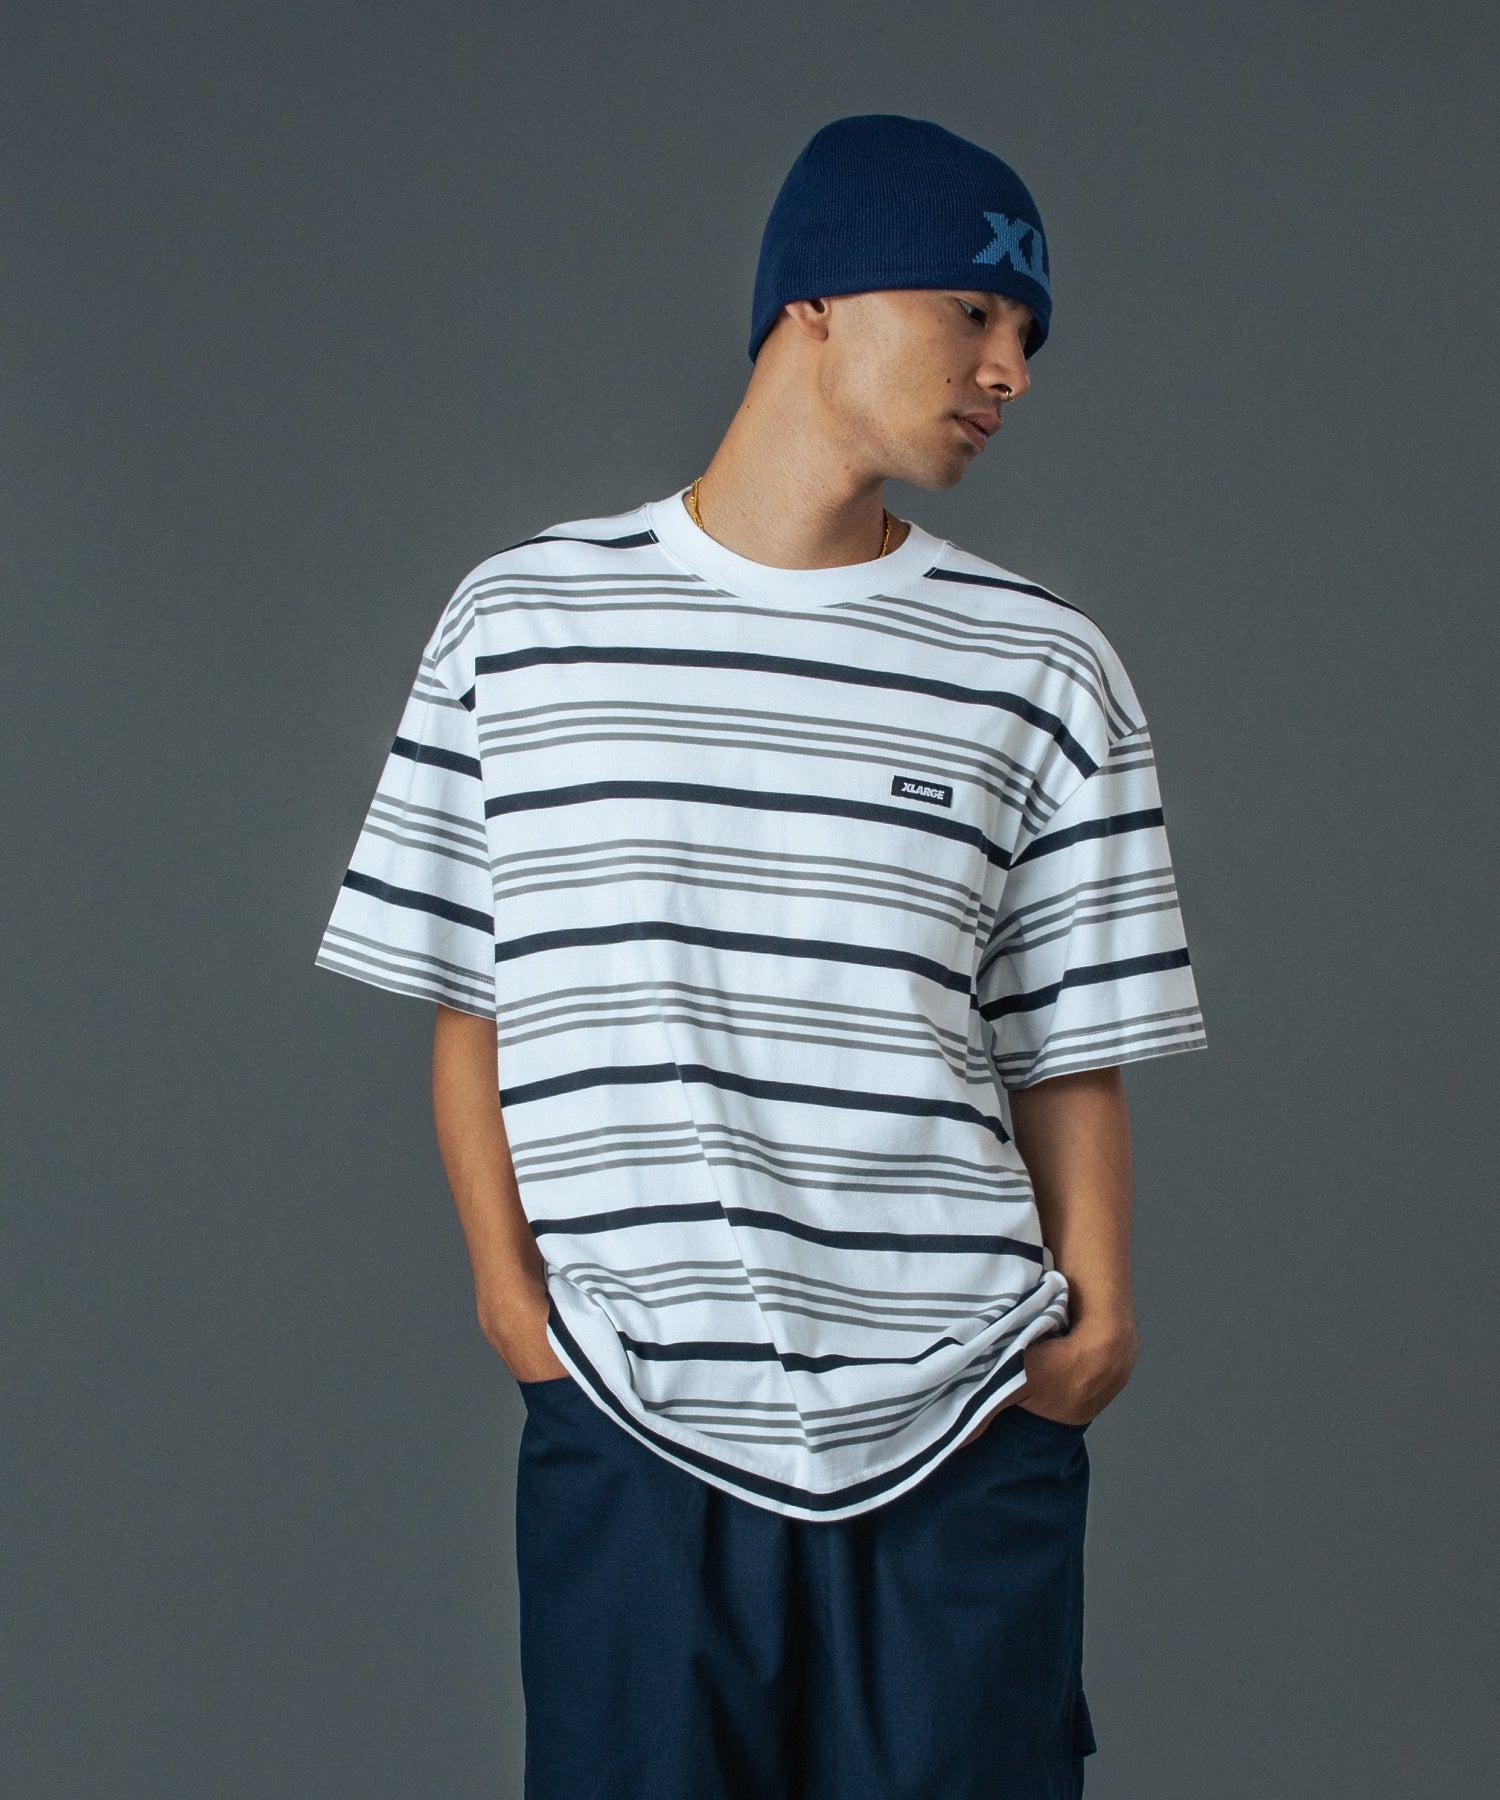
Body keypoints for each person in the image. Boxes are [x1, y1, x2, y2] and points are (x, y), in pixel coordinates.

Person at [315, 113, 1207, 1799]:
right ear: (816, 297)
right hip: (633, 1418)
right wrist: (516, 1305)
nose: (1011, 370)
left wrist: (1095, 1333)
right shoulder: (525, 624)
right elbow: (471, 995)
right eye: (974, 311)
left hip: (964, 1419)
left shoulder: (1043, 666)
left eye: (1030, 337)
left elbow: (1063, 1042)